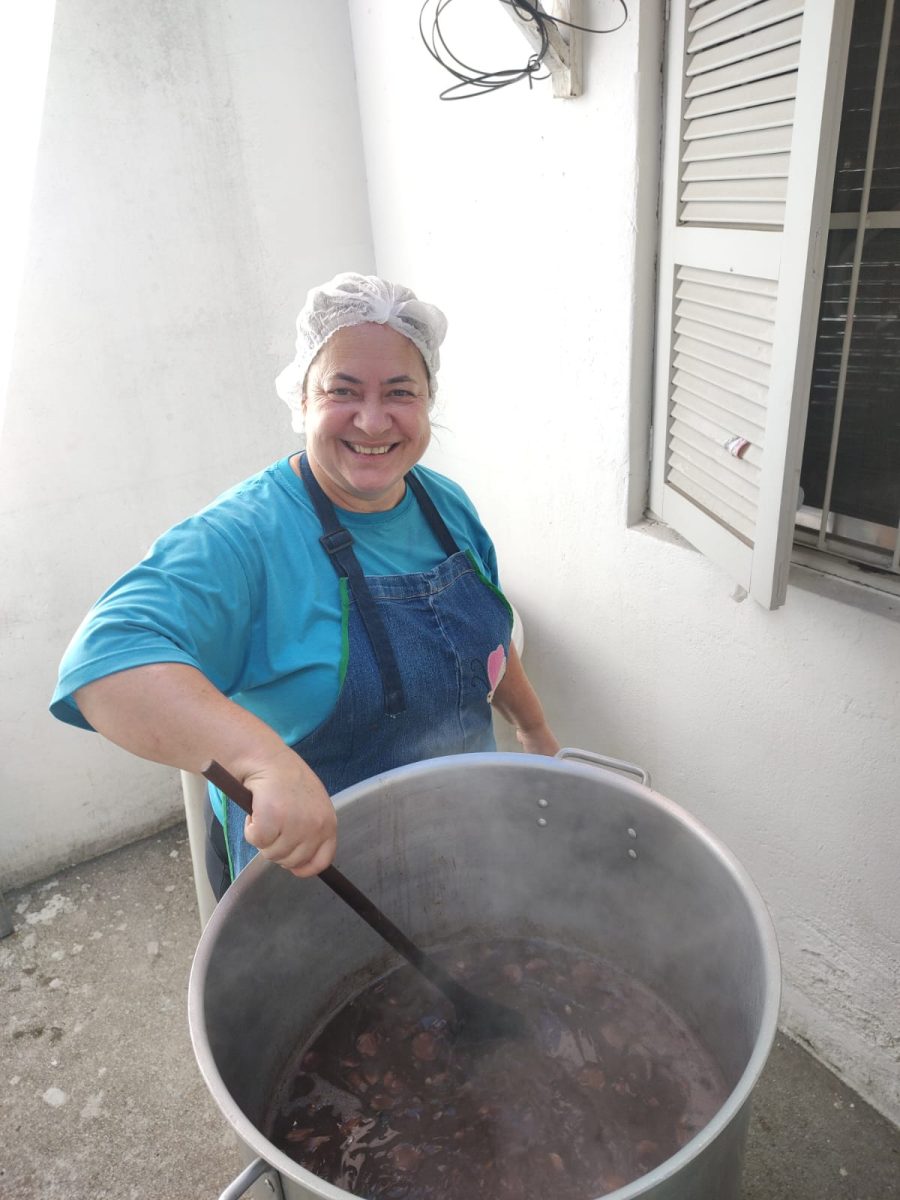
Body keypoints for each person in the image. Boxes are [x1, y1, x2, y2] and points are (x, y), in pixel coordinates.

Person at [50, 273, 559, 897]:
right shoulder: (245, 535)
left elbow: (489, 644)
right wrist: (263, 763)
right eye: (343, 390)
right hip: (319, 877)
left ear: (428, 400)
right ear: (302, 400)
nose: (373, 421)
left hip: (459, 833)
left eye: (400, 391)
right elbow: (105, 659)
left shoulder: (446, 506)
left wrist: (536, 734)